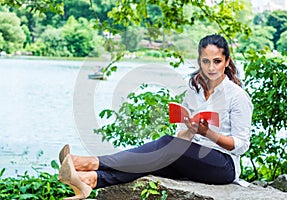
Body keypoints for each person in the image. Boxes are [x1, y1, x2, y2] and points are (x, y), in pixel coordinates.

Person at [58, 34, 253, 200]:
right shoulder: (194, 92)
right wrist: (191, 129)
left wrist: (208, 133)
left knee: (168, 144)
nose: (211, 67)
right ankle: (90, 180)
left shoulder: (237, 96)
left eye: (217, 61)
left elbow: (242, 145)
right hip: (192, 159)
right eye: (206, 61)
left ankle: (90, 162)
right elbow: (182, 140)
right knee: (149, 161)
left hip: (223, 165)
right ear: (199, 61)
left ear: (227, 62)